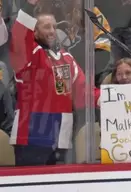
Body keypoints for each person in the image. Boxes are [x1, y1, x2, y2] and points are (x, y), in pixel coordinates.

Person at [9, 3, 100, 166]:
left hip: (60, 137)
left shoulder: (66, 58)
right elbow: (19, 37)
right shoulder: (30, 55)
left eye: (54, 27)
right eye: (46, 27)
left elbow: (83, 92)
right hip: (31, 136)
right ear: (34, 32)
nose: (52, 31)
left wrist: (107, 99)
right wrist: (29, 9)